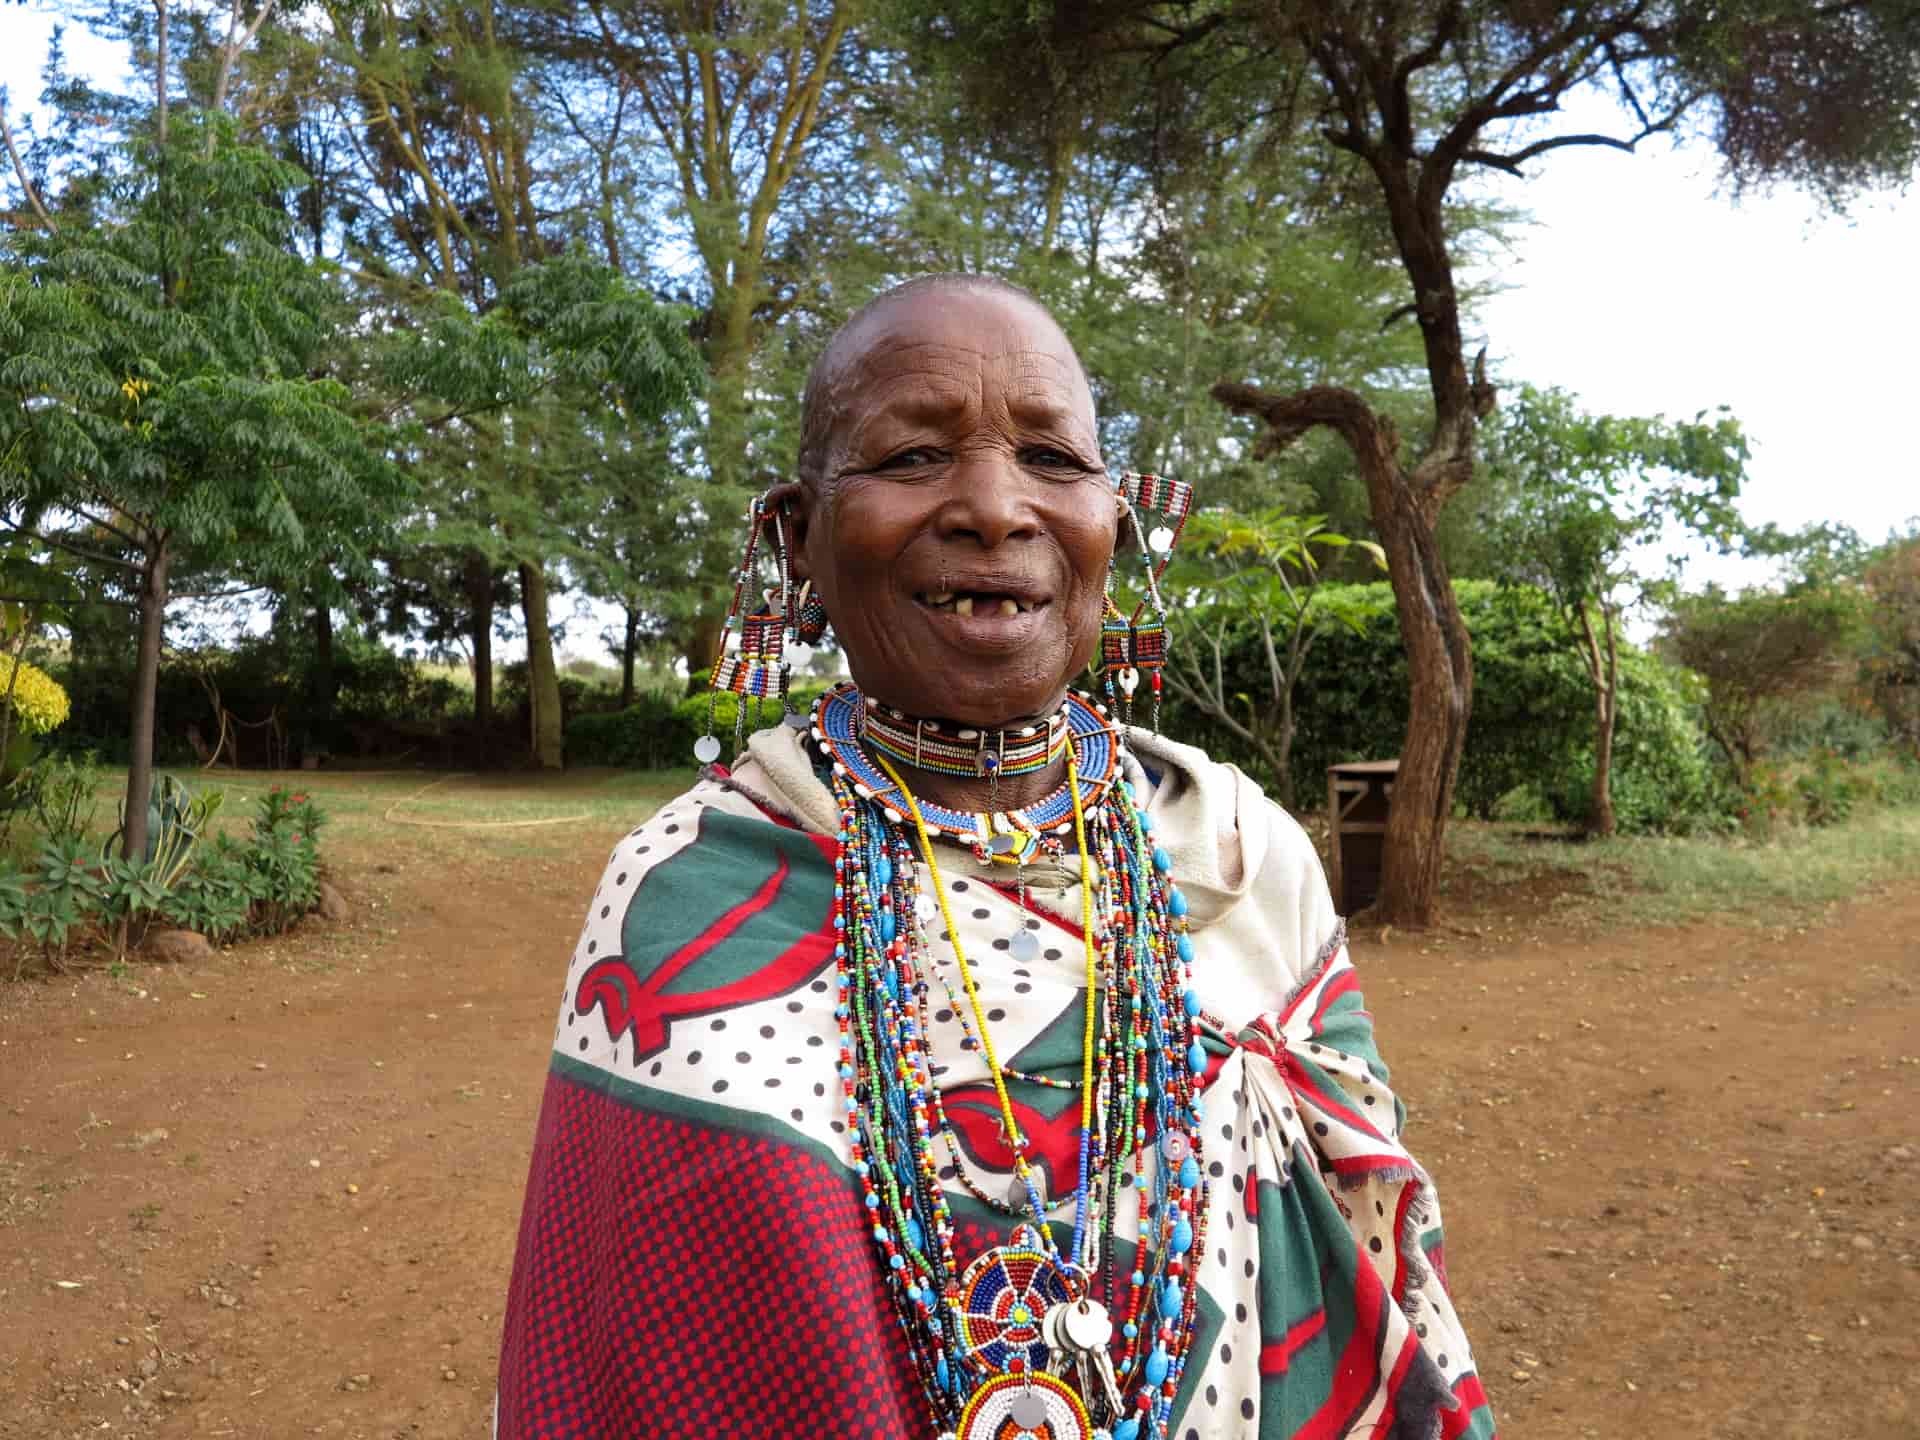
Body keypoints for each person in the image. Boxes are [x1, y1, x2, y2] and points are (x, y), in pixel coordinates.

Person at [495, 274, 1496, 1440]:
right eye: (912, 456)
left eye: (1053, 460)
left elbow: (1375, 1258)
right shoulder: (682, 890)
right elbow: (631, 1355)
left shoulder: (1237, 855)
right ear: (796, 536)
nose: (993, 507)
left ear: (1115, 522)